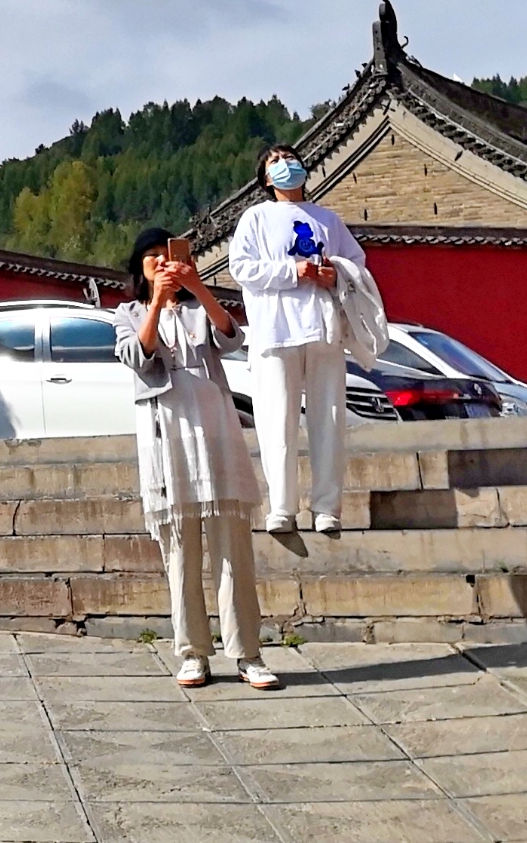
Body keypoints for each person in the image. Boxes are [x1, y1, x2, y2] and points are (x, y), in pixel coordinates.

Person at [113, 225, 282, 691]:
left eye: (166, 254)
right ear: (139, 268)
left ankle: (247, 652)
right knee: (181, 551)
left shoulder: (195, 306)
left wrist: (197, 288)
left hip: (214, 425)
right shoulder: (126, 313)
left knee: (233, 548)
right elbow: (136, 354)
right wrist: (156, 302)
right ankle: (192, 651)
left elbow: (231, 339)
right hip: (166, 431)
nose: (160, 262)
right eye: (150, 257)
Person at [229, 143, 366, 537]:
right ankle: (283, 506)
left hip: (322, 327)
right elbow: (241, 267)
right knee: (277, 420)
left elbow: (355, 265)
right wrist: (294, 271)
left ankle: (327, 507)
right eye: (275, 162)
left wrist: (333, 275)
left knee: (329, 420)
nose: (286, 165)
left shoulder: (327, 220)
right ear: (266, 179)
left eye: (290, 158)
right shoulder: (256, 218)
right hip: (276, 329)